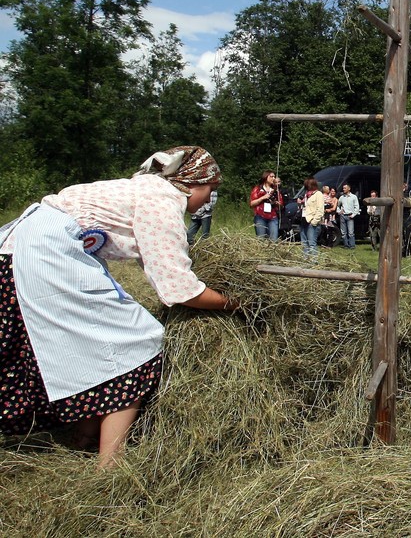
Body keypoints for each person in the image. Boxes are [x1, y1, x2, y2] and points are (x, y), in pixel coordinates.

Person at [0, 146, 234, 470]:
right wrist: (233, 303)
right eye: (211, 190)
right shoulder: (162, 201)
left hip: (27, 244)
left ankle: (83, 436)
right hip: (47, 253)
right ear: (194, 183)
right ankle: (110, 464)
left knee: (93, 343)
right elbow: (180, 290)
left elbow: (156, 265)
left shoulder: (148, 188)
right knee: (138, 342)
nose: (208, 199)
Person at [249, 170, 283, 241]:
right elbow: (252, 204)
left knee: (274, 239)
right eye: (271, 176)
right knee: (261, 239)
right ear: (265, 177)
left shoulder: (276, 190)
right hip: (260, 217)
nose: (273, 178)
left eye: (274, 177)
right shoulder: (257, 189)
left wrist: (276, 203)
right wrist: (263, 198)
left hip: (273, 217)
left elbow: (281, 205)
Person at [298, 178, 321, 257]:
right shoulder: (306, 194)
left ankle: (314, 261)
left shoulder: (318, 194)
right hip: (304, 220)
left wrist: (314, 222)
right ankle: (305, 260)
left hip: (311, 222)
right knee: (304, 243)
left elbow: (320, 210)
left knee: (311, 243)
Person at [337, 184, 360, 249]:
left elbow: (357, 207)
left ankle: (352, 245)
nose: (343, 189)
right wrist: (339, 211)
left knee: (350, 232)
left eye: (345, 188)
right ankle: (346, 245)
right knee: (343, 232)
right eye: (343, 188)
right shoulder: (342, 197)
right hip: (343, 216)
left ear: (349, 189)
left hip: (350, 216)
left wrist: (353, 215)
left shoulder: (353, 197)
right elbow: (338, 205)